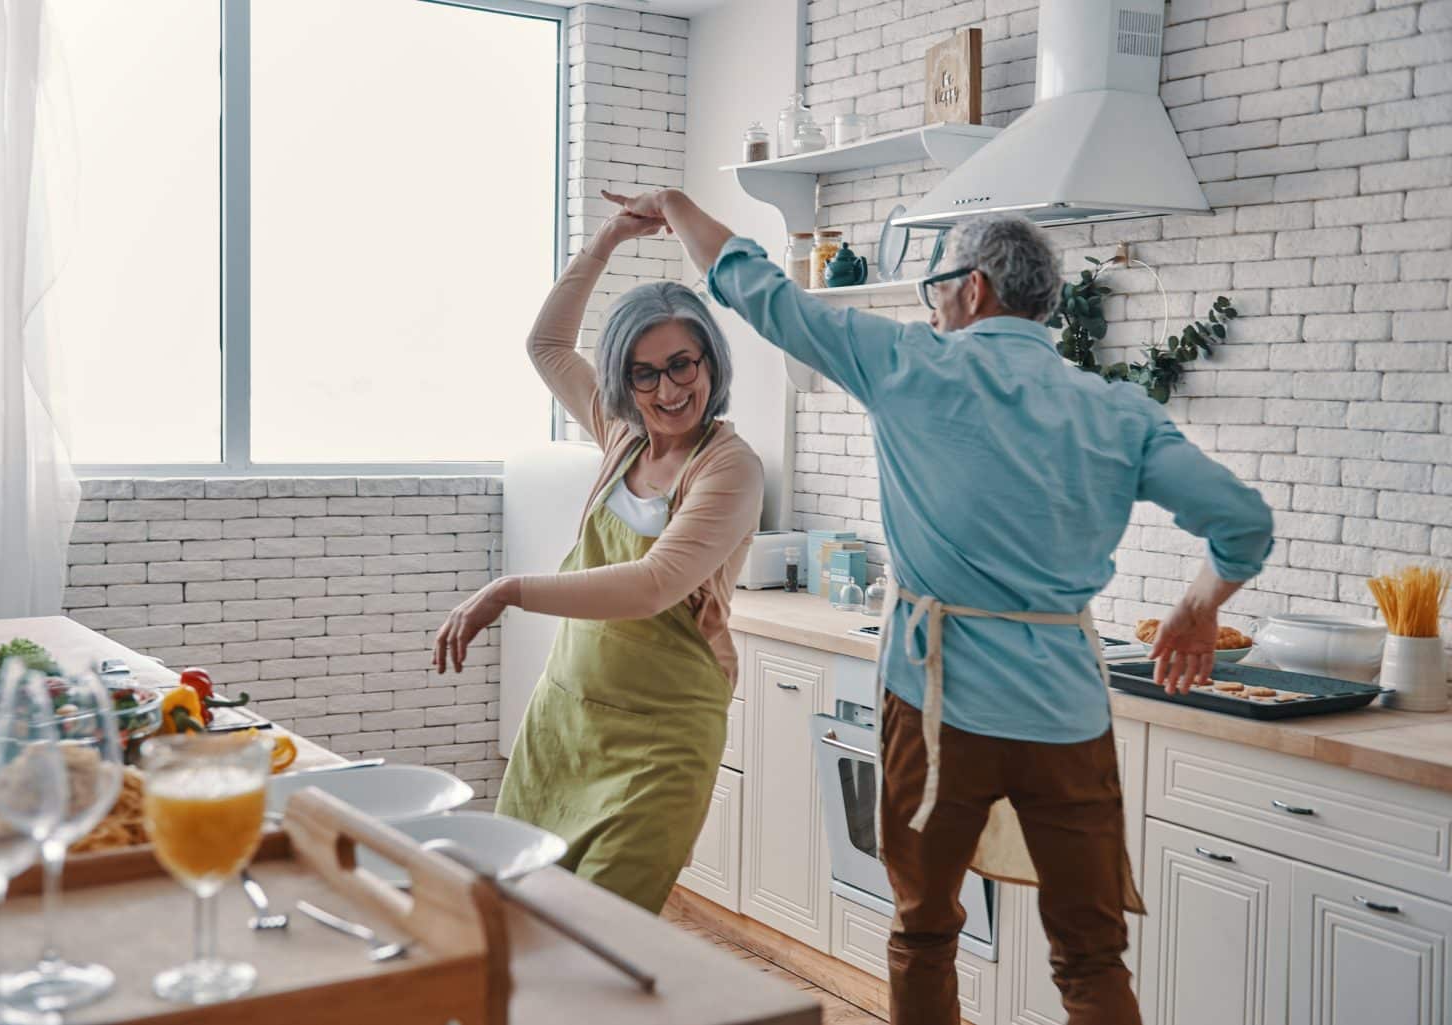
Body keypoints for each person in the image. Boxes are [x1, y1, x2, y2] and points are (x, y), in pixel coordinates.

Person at [603, 188, 1273, 1025]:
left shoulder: (906, 364)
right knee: (1091, 955)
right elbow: (1244, 525)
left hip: (933, 708)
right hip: (1065, 715)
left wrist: (675, 207)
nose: (932, 302)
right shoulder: (1114, 408)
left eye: (935, 284)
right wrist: (1200, 605)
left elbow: (757, 288)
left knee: (923, 932)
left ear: (975, 287)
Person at [431, 206, 764, 915]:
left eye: (682, 364)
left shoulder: (729, 467)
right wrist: (606, 241)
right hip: (564, 722)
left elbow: (654, 584)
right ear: (623, 381)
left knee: (599, 929)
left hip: (659, 742)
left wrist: (510, 590)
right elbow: (547, 343)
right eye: (645, 374)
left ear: (710, 361)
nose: (668, 391)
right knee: (515, 913)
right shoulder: (623, 435)